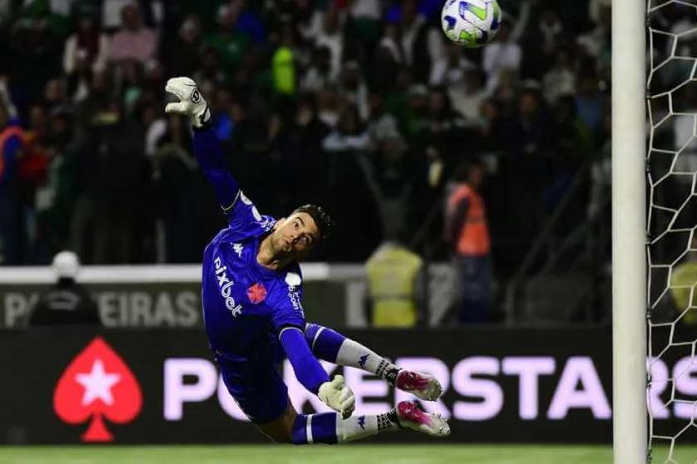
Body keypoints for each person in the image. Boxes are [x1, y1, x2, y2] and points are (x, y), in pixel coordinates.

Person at [163, 77, 449, 444]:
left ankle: (397, 417)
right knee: (302, 334)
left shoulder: (283, 293)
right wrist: (202, 118)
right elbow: (216, 170)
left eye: (306, 239)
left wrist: (321, 387)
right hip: (252, 334)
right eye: (297, 225)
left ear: (305, 251)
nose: (297, 235)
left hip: (244, 364)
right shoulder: (247, 222)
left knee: (291, 432)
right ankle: (395, 375)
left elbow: (296, 352)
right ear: (282, 219)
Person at [445, 159, 493, 323]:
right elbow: (455, 223)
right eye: (475, 174)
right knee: (473, 291)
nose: (479, 178)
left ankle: (475, 322)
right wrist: (454, 246)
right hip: (469, 250)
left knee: (478, 290)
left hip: (478, 249)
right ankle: (472, 324)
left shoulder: (472, 195)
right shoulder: (465, 195)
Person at [28, 251, 101, 326]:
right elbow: (96, 331)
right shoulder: (86, 298)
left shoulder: (43, 298)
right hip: (77, 337)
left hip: (48, 337)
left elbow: (32, 328)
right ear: (77, 268)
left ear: (54, 268)